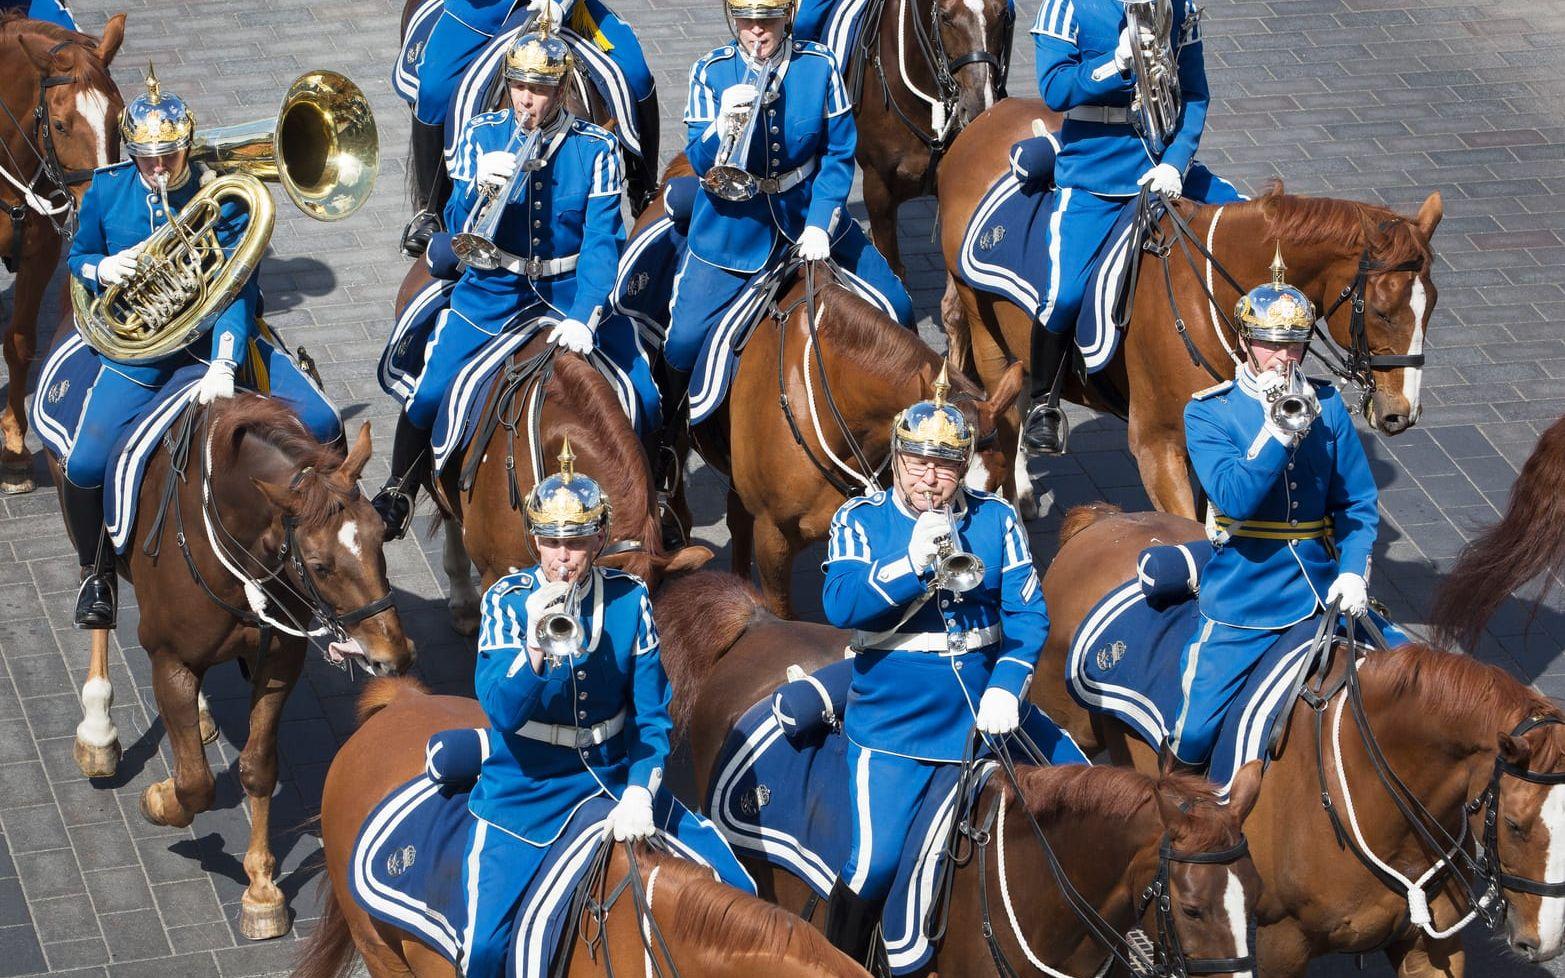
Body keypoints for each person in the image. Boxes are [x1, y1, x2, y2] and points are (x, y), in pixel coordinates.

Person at [818, 366, 1086, 963]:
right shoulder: (859, 521)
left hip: (987, 713)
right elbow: (841, 605)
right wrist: (910, 562)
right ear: (896, 462)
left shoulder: (994, 519)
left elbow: (1027, 617)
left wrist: (1009, 686)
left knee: (1088, 792)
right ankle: (841, 964)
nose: (931, 480)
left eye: (945, 466)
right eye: (918, 465)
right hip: (894, 726)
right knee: (875, 862)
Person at [62, 69, 340, 629]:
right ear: (131, 153)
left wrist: (225, 359)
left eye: (169, 155)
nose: (159, 168)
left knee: (324, 420)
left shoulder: (223, 195)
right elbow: (78, 256)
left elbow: (238, 286)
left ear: (186, 146)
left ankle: (329, 532)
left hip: (214, 346)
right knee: (85, 463)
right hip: (141, 353)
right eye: (147, 157)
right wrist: (100, 267)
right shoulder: (108, 189)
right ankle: (96, 574)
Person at [466, 441, 750, 977]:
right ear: (534, 541)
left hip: (615, 778)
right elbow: (501, 709)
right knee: (484, 949)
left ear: (598, 539)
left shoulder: (629, 599)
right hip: (528, 790)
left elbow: (650, 716)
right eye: (550, 542)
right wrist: (533, 648)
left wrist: (642, 788)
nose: (563, 558)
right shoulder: (506, 600)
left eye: (575, 543)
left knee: (738, 886)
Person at [373, 26, 626, 539]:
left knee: (639, 392)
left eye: (539, 89)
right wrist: (474, 191)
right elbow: (457, 225)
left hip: (567, 293)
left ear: (560, 90)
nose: (527, 100)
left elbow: (602, 242)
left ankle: (656, 491)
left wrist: (585, 313)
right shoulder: (482, 134)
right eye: (518, 86)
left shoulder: (596, 148)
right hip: (492, 291)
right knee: (429, 392)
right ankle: (399, 488)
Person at [1168, 249, 1378, 772]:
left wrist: (1352, 572)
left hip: (1321, 586)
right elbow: (1234, 496)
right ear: (1244, 344)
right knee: (1193, 731)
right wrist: (1278, 431)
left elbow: (1357, 502)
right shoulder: (1209, 411)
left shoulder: (1327, 406)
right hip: (1246, 592)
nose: (1283, 358)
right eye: (1269, 344)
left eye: (1293, 345)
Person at [664, 0, 913, 441]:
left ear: (787, 19)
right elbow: (703, 164)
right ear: (733, 21)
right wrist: (719, 125)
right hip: (731, 228)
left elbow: (838, 154)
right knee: (682, 340)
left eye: (768, 21)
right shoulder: (710, 71)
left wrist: (820, 222)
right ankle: (671, 440)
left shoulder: (818, 66)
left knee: (898, 304)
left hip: (806, 215)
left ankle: (911, 418)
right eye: (747, 22)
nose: (757, 32)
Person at [1023, 0, 1240, 454]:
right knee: (1064, 292)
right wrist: (1115, 62)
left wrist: (1176, 162)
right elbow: (1055, 90)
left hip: (1163, 162)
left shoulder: (1178, 6)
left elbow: (1195, 95)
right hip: (1094, 169)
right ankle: (1042, 401)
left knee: (1246, 225)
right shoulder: (1066, 6)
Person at [403, 0, 659, 254]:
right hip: (485, 10)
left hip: (564, 8)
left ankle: (643, 187)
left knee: (637, 74)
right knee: (434, 90)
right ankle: (431, 210)